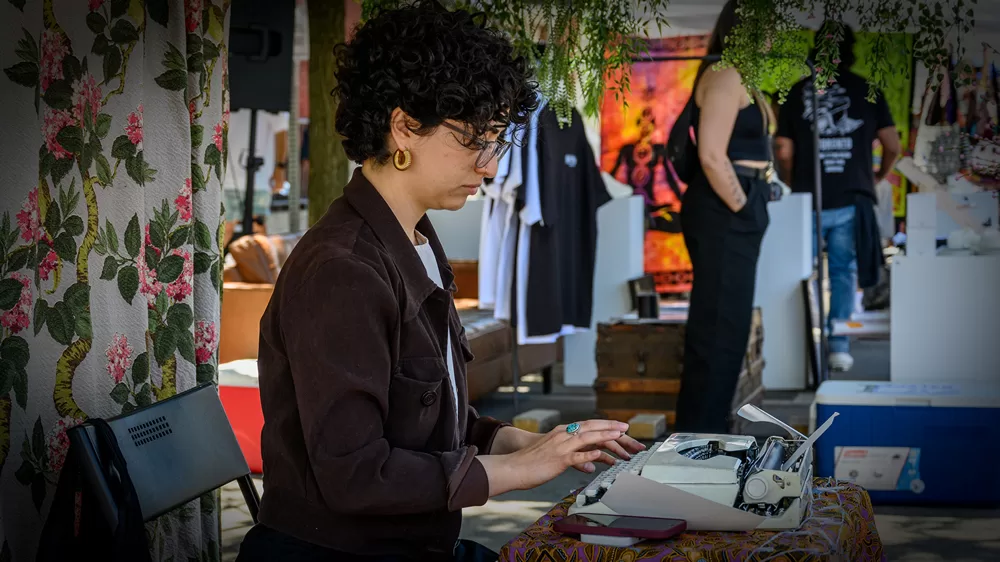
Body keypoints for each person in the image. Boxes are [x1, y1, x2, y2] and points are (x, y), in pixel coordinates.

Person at [235, 3, 644, 561]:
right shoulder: (343, 271)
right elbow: (357, 474)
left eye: (497, 141)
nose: (490, 165)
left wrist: (530, 442)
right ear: (404, 125)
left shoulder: (414, 242)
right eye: (475, 139)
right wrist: (519, 470)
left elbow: (424, 418)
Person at [775, 22, 901, 372]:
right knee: (843, 272)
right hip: (850, 198)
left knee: (804, 274)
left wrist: (792, 182)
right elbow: (893, 145)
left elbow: (783, 151)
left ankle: (802, 350)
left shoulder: (796, 92)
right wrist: (876, 176)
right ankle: (839, 347)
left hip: (808, 202)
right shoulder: (867, 89)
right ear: (850, 50)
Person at [674, 0, 775, 434]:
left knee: (727, 331)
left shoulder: (740, 75)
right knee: (717, 331)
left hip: (737, 205)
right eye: (767, 28)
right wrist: (743, 204)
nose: (774, 38)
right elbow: (712, 154)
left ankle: (705, 435)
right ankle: (697, 441)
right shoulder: (724, 73)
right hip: (725, 208)